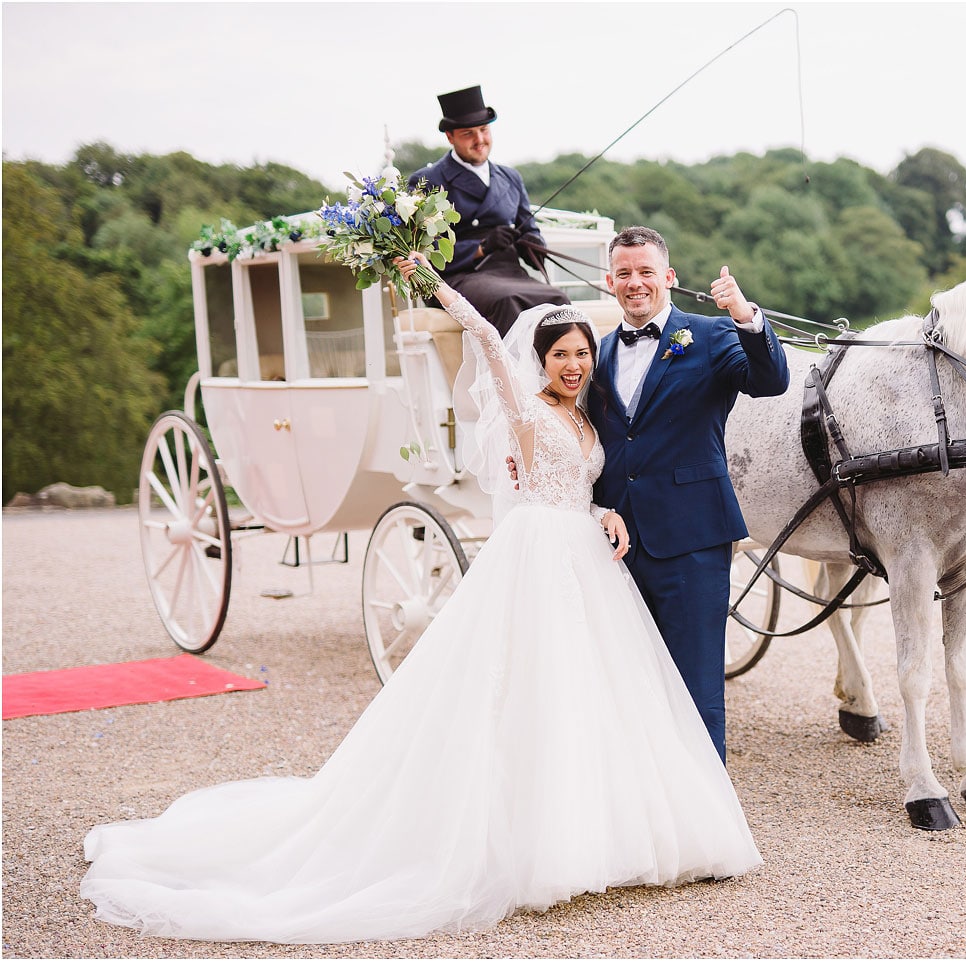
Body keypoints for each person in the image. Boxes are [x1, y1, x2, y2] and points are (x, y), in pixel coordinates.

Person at [79, 264, 762, 944]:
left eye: (583, 353)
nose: (576, 364)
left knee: (599, 692)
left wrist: (606, 509)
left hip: (584, 553)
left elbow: (591, 481)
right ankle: (531, 841)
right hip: (535, 555)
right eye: (561, 355)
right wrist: (427, 276)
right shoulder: (525, 409)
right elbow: (487, 340)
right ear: (541, 361)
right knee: (530, 688)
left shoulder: (587, 418)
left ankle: (612, 829)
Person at [587, 226, 789, 762]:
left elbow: (770, 381)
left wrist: (745, 316)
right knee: (626, 682)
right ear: (610, 282)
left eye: (646, 272)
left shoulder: (712, 335)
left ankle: (708, 820)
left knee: (697, 688)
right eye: (624, 274)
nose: (635, 283)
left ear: (669, 278)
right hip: (614, 545)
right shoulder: (597, 355)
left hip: (692, 540)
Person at [407, 84, 569, 336]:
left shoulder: (510, 177)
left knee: (557, 299)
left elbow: (530, 228)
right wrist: (481, 247)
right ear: (450, 137)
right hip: (460, 277)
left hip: (509, 271)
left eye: (484, 130)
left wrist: (530, 244)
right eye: (468, 134)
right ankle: (510, 375)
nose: (480, 140)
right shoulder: (429, 179)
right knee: (507, 300)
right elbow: (425, 251)